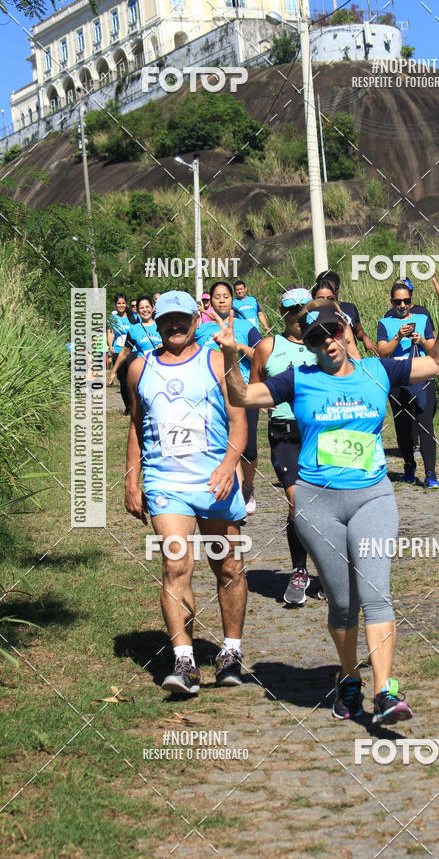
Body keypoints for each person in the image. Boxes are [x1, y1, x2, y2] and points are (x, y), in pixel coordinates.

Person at [214, 279, 439, 724]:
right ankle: (349, 677)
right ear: (308, 345)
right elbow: (242, 396)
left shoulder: (378, 370)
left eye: (332, 331)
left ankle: (385, 692)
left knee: (376, 594)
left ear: (346, 330)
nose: (327, 341)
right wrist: (232, 354)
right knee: (343, 602)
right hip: (317, 503)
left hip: (372, 497)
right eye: (316, 337)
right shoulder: (299, 379)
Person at [124, 290, 249, 693]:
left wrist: (230, 465)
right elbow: (136, 426)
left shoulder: (216, 360)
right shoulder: (139, 368)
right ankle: (184, 661)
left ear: (197, 319)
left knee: (228, 566)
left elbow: (239, 420)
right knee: (176, 564)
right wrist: (131, 477)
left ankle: (230, 652)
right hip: (167, 483)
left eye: (182, 318)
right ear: (155, 324)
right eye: (166, 320)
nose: (175, 326)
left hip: (216, 480)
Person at [250, 287, 318, 605]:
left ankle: (333, 570)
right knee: (299, 502)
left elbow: (352, 373)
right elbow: (251, 391)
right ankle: (299, 571)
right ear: (284, 314)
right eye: (293, 311)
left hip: (321, 434)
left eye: (305, 309)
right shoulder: (267, 346)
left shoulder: (325, 344)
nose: (300, 316)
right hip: (285, 435)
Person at [195, 282, 262, 514]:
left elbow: (261, 357)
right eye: (217, 297)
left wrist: (238, 345)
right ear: (210, 301)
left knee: (249, 451)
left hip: (243, 393)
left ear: (232, 300)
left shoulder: (246, 326)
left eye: (226, 296)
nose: (222, 300)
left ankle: (249, 487)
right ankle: (233, 500)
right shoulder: (201, 332)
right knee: (225, 446)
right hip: (214, 395)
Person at [377, 282, 439, 488]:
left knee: (426, 426)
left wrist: (420, 340)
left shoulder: (422, 319)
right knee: (403, 428)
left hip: (422, 377)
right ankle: (409, 465)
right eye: (398, 301)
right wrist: (398, 336)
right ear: (391, 302)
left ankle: (431, 474)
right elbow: (383, 352)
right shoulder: (384, 323)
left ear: (411, 301)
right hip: (398, 380)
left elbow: (434, 348)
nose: (402, 305)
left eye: (406, 301)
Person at [315, 270, 377, 355]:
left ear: (338, 290)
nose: (330, 291)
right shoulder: (313, 313)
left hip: (351, 358)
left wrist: (364, 337)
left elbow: (358, 330)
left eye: (333, 288)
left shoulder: (349, 308)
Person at [108, 296, 162, 386]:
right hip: (143, 371)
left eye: (147, 307)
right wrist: (113, 372)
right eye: (141, 308)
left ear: (153, 308)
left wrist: (165, 346)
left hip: (160, 369)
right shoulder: (134, 329)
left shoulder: (162, 326)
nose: (145, 310)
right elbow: (125, 351)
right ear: (137, 310)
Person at [311, 280, 361, 361]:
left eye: (330, 299)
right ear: (313, 299)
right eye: (321, 299)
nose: (326, 302)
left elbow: (354, 355)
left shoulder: (341, 321)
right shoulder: (307, 322)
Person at [106, 293, 137, 414]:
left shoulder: (134, 317)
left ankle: (136, 404)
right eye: (119, 303)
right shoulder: (112, 318)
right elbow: (110, 333)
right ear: (115, 305)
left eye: (123, 303)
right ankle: (128, 407)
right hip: (118, 351)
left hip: (132, 351)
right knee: (123, 380)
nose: (121, 305)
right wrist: (110, 346)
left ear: (126, 304)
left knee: (133, 378)